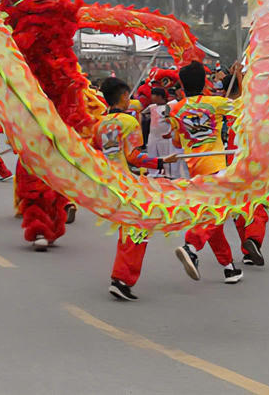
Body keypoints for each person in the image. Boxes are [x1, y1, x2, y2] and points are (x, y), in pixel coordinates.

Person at [93, 77, 179, 302]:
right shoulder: (129, 123)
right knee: (137, 228)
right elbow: (134, 156)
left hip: (107, 182)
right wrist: (161, 162)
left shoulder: (99, 124)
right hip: (125, 182)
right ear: (123, 96)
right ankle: (121, 279)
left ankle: (121, 277)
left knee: (130, 228)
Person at [171, 61, 245, 285]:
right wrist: (239, 76)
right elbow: (242, 106)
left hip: (193, 169)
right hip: (215, 167)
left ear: (182, 85)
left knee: (214, 217)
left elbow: (176, 140)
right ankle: (191, 246)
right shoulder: (216, 103)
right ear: (205, 82)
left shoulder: (175, 109)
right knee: (218, 212)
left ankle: (229, 267)